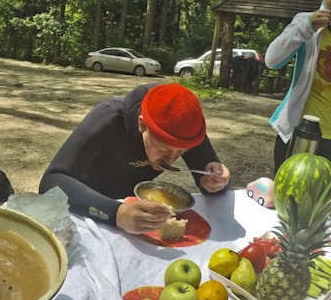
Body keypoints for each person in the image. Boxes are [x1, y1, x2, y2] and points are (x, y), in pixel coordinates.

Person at [39, 83, 230, 235]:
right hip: (84, 205)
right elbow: (52, 180)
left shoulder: (184, 129)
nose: (171, 160)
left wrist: (216, 181)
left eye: (181, 152)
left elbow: (213, 188)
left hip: (133, 214)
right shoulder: (108, 119)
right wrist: (117, 213)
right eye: (163, 149)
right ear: (142, 125)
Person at [266, 0, 331, 172]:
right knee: (287, 200)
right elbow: (272, 60)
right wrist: (307, 27)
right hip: (300, 133)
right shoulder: (306, 22)